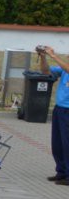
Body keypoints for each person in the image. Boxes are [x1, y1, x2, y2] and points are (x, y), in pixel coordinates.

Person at [38, 45, 69, 185]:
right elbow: (45, 71)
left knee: (67, 144)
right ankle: (61, 172)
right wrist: (43, 57)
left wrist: (54, 55)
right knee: (57, 144)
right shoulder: (63, 70)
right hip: (59, 109)